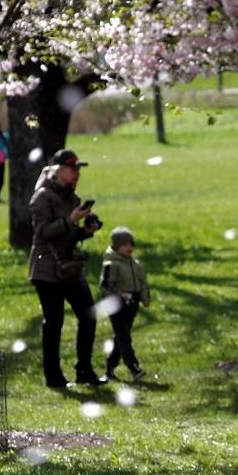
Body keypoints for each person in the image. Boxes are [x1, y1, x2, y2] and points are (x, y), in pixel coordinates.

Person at [28, 149, 104, 388]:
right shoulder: (41, 198)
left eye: (78, 169)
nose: (77, 173)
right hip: (46, 269)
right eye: (73, 169)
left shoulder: (72, 198)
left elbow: (67, 236)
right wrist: (70, 220)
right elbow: (42, 233)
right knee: (54, 323)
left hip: (69, 268)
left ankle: (84, 370)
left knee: (88, 316)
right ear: (58, 170)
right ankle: (53, 377)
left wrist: (85, 231)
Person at [100, 226, 150, 382]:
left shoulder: (135, 264)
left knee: (121, 338)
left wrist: (144, 297)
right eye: (124, 244)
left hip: (131, 305)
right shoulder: (111, 264)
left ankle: (110, 368)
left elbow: (142, 283)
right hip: (116, 305)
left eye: (131, 244)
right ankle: (134, 367)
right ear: (116, 246)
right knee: (124, 338)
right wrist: (121, 294)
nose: (129, 248)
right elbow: (105, 284)